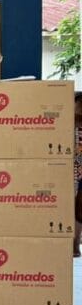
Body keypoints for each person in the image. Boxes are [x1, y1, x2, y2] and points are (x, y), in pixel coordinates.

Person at [75, 94, 82, 257]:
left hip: (79, 174)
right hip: (69, 172)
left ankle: (75, 244)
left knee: (78, 211)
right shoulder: (68, 123)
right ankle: (74, 245)